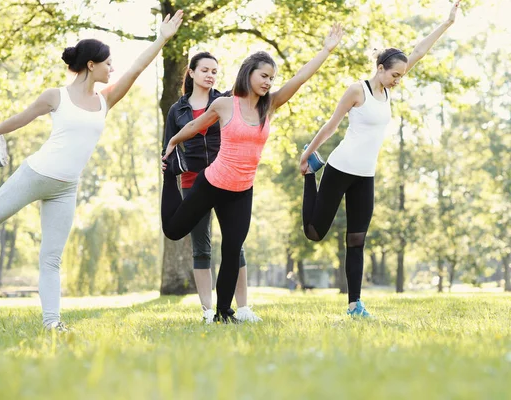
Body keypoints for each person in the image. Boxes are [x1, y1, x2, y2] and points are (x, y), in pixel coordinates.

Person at [0, 11, 183, 332]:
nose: (113, 68)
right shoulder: (56, 96)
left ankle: (52, 323)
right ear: (92, 65)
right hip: (34, 175)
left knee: (51, 258)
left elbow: (137, 69)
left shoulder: (105, 100)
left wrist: (161, 39)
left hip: (66, 188)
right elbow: (23, 118)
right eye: (108, 63)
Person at [162, 23, 343, 323]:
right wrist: (172, 141)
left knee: (233, 250)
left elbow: (299, 78)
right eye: (264, 76)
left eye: (272, 78)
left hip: (242, 190)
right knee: (174, 230)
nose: (268, 82)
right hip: (212, 182)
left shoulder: (269, 105)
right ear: (249, 73)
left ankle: (223, 312)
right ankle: (170, 180)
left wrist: (325, 50)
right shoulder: (223, 103)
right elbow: (195, 126)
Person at [299, 1, 461, 317]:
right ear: (380, 69)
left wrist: (447, 23)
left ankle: (355, 304)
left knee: (357, 240)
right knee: (314, 233)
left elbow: (418, 52)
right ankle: (311, 175)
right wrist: (307, 156)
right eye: (394, 74)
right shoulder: (356, 90)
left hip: (365, 175)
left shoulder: (389, 90)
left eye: (401, 75)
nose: (399, 79)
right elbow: (332, 125)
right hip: (339, 167)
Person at [163, 52, 260, 323]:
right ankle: (207, 310)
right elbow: (169, 147)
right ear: (191, 72)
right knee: (201, 248)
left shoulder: (227, 102)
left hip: (225, 179)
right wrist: (169, 174)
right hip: (193, 182)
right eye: (205, 70)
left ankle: (242, 308)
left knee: (235, 245)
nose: (210, 75)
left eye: (215, 71)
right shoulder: (177, 110)